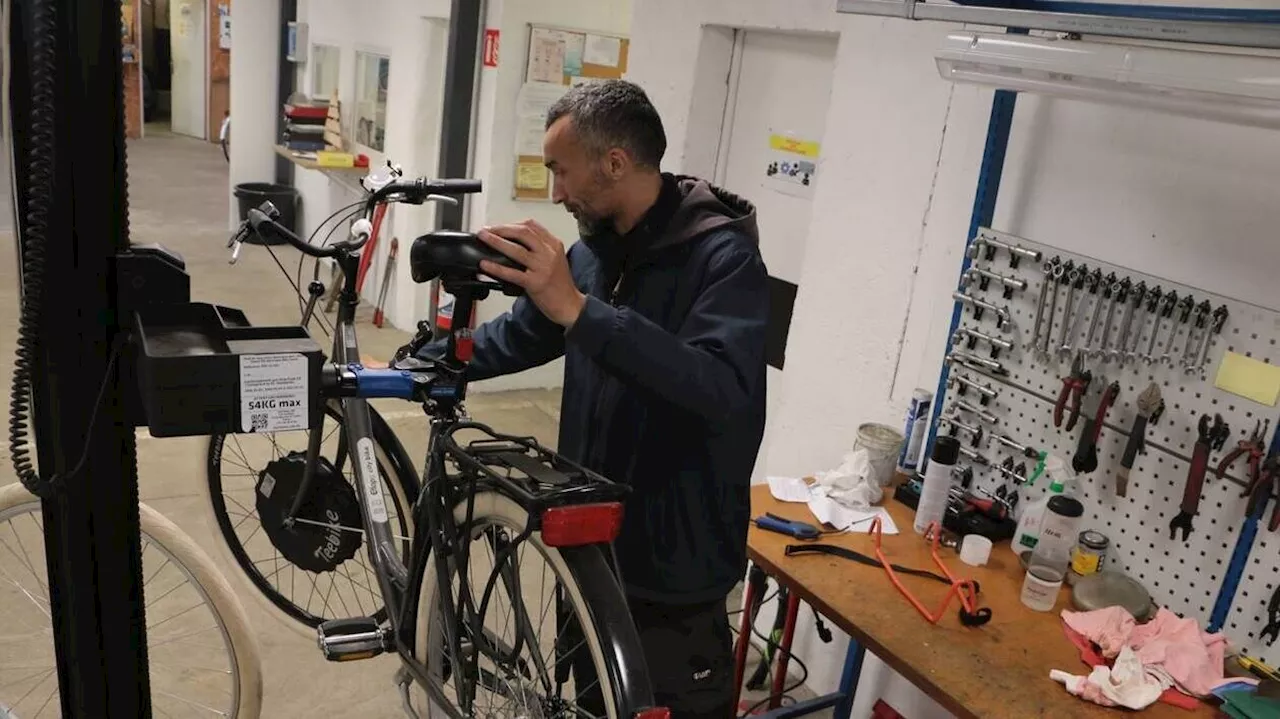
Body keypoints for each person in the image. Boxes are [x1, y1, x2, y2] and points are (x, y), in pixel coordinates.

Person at [421, 79, 769, 717]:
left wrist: (582, 313)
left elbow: (720, 389)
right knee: (583, 704)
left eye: (561, 170)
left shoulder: (724, 262)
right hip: (588, 547)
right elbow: (524, 333)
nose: (555, 192)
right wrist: (421, 360)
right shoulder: (592, 254)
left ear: (615, 162)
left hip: (674, 569)